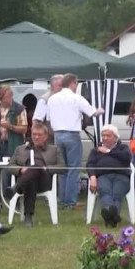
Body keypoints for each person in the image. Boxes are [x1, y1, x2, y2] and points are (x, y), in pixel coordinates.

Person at [46, 73, 104, 209]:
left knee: (62, 168)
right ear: (72, 83)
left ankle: (62, 200)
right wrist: (100, 110)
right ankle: (70, 201)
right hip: (72, 135)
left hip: (57, 135)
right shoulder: (76, 98)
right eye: (76, 83)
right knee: (73, 169)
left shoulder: (52, 98)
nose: (76, 86)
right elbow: (92, 112)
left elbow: (48, 119)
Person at [4, 123, 66, 227]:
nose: (36, 137)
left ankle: (15, 189)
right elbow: (10, 166)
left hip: (44, 182)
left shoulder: (54, 149)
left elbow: (62, 167)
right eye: (34, 134)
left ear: (46, 136)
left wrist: (47, 168)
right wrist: (20, 169)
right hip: (26, 183)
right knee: (31, 180)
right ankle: (28, 217)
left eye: (39, 135)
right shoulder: (20, 149)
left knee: (36, 165)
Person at [86, 125, 132, 227]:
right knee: (105, 192)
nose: (105, 138)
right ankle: (114, 217)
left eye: (108, 135)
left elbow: (126, 158)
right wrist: (93, 177)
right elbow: (90, 164)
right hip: (103, 176)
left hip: (122, 177)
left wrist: (108, 152)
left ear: (115, 137)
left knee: (116, 194)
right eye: (103, 136)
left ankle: (109, 215)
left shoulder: (123, 148)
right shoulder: (96, 151)